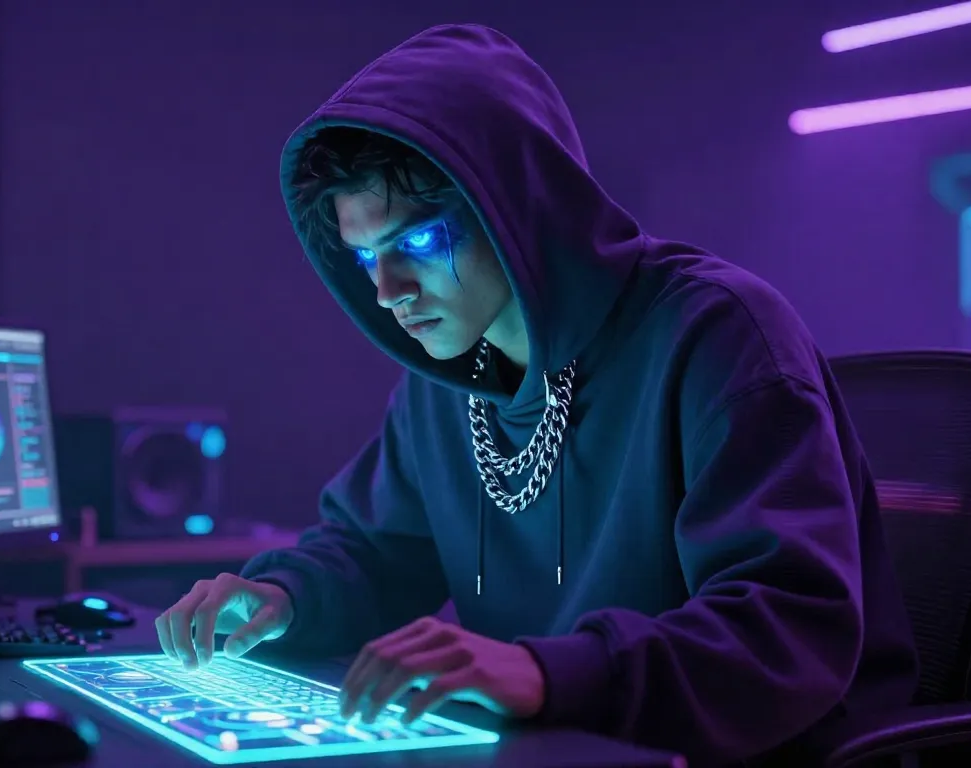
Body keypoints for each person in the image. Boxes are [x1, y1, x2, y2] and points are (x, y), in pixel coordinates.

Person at [157, 23, 919, 765]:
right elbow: (375, 552)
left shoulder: (719, 335)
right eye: (365, 259)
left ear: (519, 207)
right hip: (556, 746)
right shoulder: (444, 383)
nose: (388, 291)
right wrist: (284, 597)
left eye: (417, 241)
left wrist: (549, 674)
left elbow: (785, 630)